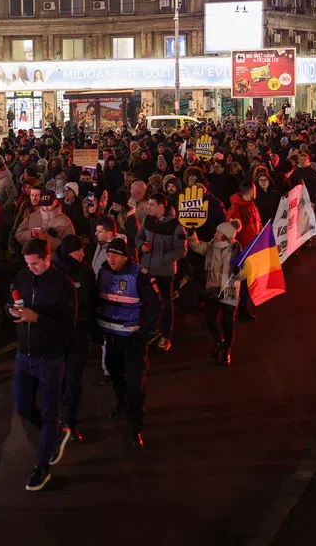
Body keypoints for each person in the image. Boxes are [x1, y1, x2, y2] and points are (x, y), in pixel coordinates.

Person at [9, 238, 76, 492]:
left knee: (49, 411)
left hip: (50, 357)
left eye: (35, 264)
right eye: (27, 264)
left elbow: (68, 328)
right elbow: (13, 300)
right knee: (23, 407)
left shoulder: (64, 286)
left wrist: (37, 317)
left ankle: (42, 467)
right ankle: (58, 433)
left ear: (48, 258)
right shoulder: (23, 276)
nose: (31, 268)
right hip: (24, 354)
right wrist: (11, 311)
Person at [96, 237, 159, 450]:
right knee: (114, 373)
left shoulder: (139, 276)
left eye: (115, 255)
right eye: (109, 254)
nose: (111, 258)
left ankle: (135, 427)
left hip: (132, 339)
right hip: (112, 337)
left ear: (126, 257)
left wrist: (143, 333)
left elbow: (156, 305)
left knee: (135, 384)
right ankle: (122, 403)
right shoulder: (103, 272)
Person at [53, 234, 97, 442]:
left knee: (71, 379)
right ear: (72, 251)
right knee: (66, 379)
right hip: (66, 333)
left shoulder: (85, 271)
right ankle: (63, 420)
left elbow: (93, 301)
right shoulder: (57, 272)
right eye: (80, 249)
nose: (83, 253)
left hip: (75, 333)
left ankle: (67, 421)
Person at [135, 193, 186, 352]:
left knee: (166, 303)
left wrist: (164, 258)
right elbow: (139, 237)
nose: (148, 207)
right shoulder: (147, 220)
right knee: (145, 301)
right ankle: (148, 331)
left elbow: (181, 250)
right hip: (146, 269)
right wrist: (142, 247)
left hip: (164, 272)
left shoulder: (176, 226)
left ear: (161, 206)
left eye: (151, 204)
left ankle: (166, 335)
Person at [188, 221, 243, 365]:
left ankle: (226, 350)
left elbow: (244, 273)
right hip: (213, 287)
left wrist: (239, 272)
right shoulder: (212, 245)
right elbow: (197, 246)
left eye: (218, 232)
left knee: (227, 321)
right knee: (210, 319)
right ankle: (219, 342)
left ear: (225, 235)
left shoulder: (236, 249)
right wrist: (191, 234)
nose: (215, 234)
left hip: (229, 289)